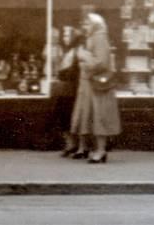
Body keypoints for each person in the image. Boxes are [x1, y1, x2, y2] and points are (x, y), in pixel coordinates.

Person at [70, 12, 122, 163]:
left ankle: (100, 151)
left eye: (88, 23)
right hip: (91, 84)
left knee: (99, 118)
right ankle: (95, 149)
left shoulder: (99, 38)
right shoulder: (94, 37)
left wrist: (84, 58)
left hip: (97, 85)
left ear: (96, 24)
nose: (85, 26)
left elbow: (101, 63)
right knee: (92, 118)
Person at [51, 26, 82, 157]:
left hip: (72, 89)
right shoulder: (66, 51)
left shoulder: (76, 52)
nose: (65, 38)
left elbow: (73, 71)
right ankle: (70, 143)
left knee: (70, 116)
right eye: (64, 36)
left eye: (67, 36)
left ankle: (74, 144)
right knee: (63, 116)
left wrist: (62, 73)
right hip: (65, 89)